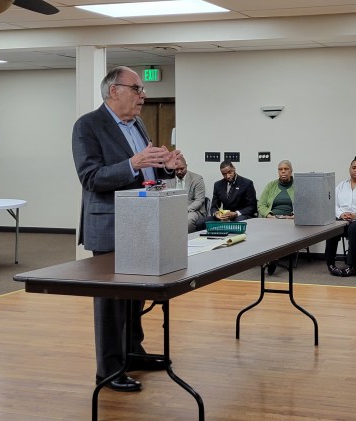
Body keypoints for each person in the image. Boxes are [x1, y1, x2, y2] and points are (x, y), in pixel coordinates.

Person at [72, 66, 182, 392]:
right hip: (109, 225)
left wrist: (169, 167)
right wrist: (134, 162)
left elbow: (145, 176)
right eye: (137, 89)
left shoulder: (137, 124)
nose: (143, 96)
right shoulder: (88, 126)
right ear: (114, 91)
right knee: (110, 303)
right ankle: (108, 370)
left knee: (135, 296)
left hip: (141, 222)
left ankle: (133, 352)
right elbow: (91, 177)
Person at [195, 160, 257, 231]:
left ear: (234, 168)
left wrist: (236, 213)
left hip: (241, 215)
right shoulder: (218, 185)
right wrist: (216, 213)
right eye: (224, 174)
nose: (228, 176)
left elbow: (252, 207)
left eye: (230, 172)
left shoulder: (246, 183)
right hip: (224, 217)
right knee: (200, 223)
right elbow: (214, 207)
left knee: (239, 222)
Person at [258, 160, 295, 275]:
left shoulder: (298, 185)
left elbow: (306, 204)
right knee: (269, 229)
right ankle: (273, 257)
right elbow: (261, 204)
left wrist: (295, 216)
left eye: (286, 169)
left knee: (280, 229)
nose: (283, 171)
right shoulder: (271, 185)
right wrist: (268, 215)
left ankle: (271, 257)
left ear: (291, 171)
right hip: (273, 218)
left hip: (290, 219)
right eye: (280, 169)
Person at [164, 156, 206, 233]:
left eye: (182, 169)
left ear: (186, 166)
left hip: (193, 211)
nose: (179, 171)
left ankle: (187, 242)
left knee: (188, 220)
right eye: (176, 169)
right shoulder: (167, 180)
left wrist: (184, 210)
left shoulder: (197, 179)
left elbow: (199, 201)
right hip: (173, 209)